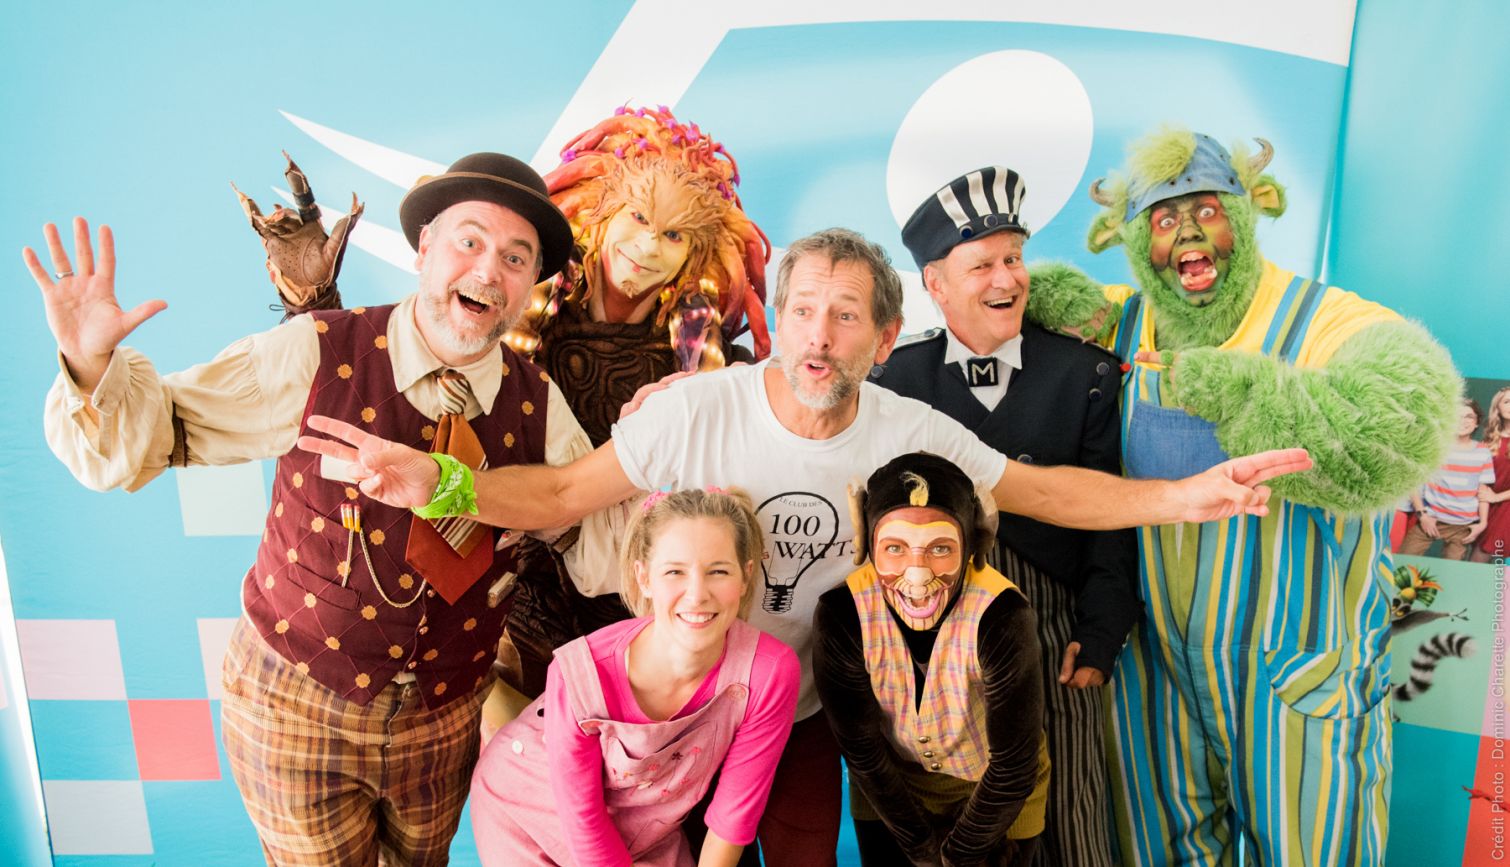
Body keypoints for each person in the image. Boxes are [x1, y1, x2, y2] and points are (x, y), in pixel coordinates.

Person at [297, 227, 1313, 865]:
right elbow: (562, 491)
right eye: (801, 311)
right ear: (778, 319)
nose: (818, 336)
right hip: (677, 713)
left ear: (884, 338)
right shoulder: (699, 408)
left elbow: (1041, 488)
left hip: (804, 708)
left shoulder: (907, 428)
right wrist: (443, 483)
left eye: (845, 316)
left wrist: (1185, 496)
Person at [29, 152, 603, 865]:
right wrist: (92, 367)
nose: (489, 270)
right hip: (297, 708)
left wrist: (662, 455)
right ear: (424, 246)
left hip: (446, 718)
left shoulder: (539, 405)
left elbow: (594, 532)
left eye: (516, 258)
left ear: (530, 285)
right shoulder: (317, 350)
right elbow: (158, 433)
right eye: (470, 241)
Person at [1028, 127, 1461, 865]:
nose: (1188, 233)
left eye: (1207, 210)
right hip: (1154, 678)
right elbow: (1009, 306)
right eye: (1164, 219)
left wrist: (1246, 393)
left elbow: (1404, 423)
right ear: (1132, 240)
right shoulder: (1120, 321)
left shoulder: (1327, 321)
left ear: (1248, 211)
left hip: (1296, 676)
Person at [871, 166, 1136, 866]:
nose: (1006, 278)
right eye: (982, 264)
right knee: (959, 823)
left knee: (1073, 819)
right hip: (931, 629)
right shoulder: (891, 381)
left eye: (1013, 258)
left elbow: (1110, 513)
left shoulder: (1085, 373)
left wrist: (1101, 632)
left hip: (1055, 624)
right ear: (934, 284)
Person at [471, 487, 798, 866]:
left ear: (746, 575)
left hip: (646, 830)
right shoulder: (581, 673)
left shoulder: (769, 673)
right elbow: (585, 822)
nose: (697, 594)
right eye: (674, 572)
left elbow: (732, 818)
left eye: (718, 571)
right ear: (644, 578)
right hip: (527, 811)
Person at [814, 452, 1050, 866]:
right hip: (890, 787)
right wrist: (923, 850)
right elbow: (862, 751)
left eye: (940, 548)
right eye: (895, 548)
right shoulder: (842, 613)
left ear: (971, 544)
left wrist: (958, 856)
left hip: (994, 786)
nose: (917, 575)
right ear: (868, 544)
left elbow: (1013, 766)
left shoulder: (1003, 615)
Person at [1399, 398, 1495, 560]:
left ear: (1477, 422)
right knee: (1403, 561)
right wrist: (1423, 516)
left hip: (1463, 526)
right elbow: (1414, 483)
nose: (1463, 421)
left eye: (1469, 416)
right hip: (1432, 519)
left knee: (1452, 569)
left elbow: (1483, 491)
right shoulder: (1435, 448)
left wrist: (1482, 523)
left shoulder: (1482, 453)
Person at [1472, 386, 1510, 564]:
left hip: (1505, 504)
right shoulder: (1490, 439)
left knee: (1484, 553)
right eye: (1507, 402)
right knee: (1481, 556)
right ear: (1498, 409)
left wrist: (1497, 497)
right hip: (1486, 504)